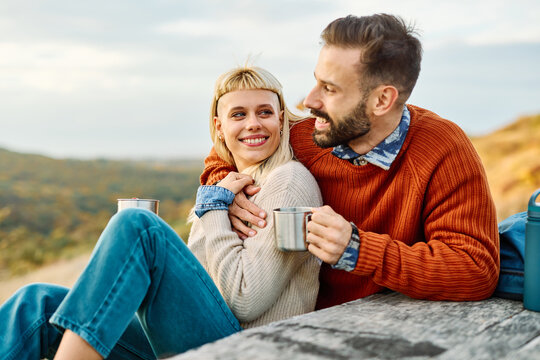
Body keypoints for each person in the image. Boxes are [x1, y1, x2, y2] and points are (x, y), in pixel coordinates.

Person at [0, 66, 322, 359]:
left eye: (264, 112)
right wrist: (215, 204)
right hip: (200, 339)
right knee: (36, 304)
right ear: (219, 127)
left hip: (250, 349)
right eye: (239, 114)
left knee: (139, 227)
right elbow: (199, 284)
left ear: (280, 119)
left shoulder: (288, 180)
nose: (253, 123)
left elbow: (244, 300)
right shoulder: (223, 188)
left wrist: (212, 209)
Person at [201, 14, 500, 309]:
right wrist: (226, 185)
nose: (309, 102)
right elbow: (226, 149)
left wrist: (356, 249)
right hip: (298, 329)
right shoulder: (306, 134)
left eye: (330, 89)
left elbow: (476, 270)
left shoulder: (441, 148)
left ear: (382, 100)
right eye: (316, 82)